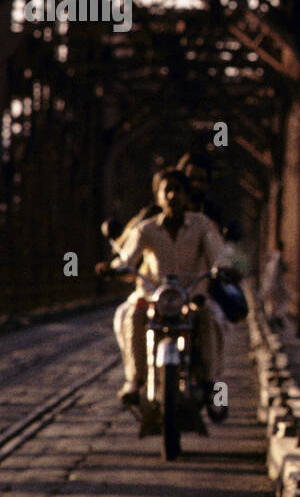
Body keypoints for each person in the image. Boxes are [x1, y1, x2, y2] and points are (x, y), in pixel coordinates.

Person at [97, 169, 234, 405]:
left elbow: (217, 253)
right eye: (166, 190)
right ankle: (134, 380)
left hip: (190, 295)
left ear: (186, 194)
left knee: (209, 316)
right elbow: (128, 259)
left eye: (177, 190)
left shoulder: (202, 226)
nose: (172, 195)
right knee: (134, 315)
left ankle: (211, 381)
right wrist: (113, 268)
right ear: (158, 197)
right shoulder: (146, 229)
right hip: (154, 296)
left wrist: (223, 267)